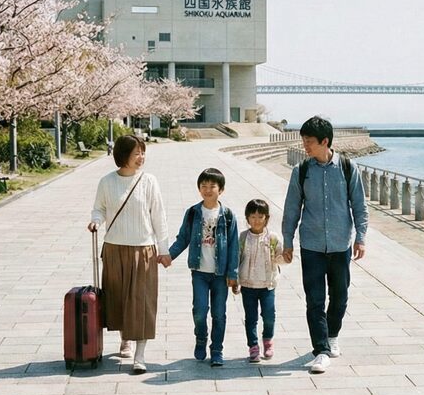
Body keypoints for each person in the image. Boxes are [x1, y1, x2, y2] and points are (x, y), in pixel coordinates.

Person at [282, 115, 369, 375]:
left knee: (340, 296)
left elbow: (360, 206)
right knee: (314, 300)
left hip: (341, 244)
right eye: (304, 141)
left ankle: (332, 334)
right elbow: (291, 210)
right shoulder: (302, 171)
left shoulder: (347, 168)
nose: (305, 146)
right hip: (311, 245)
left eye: (309, 142)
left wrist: (361, 237)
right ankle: (320, 350)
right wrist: (288, 241)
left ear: (325, 141)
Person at [87, 134, 170, 374]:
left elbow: (159, 217)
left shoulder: (149, 181)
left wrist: (163, 251)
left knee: (141, 302)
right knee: (118, 298)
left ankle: (139, 355)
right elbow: (99, 208)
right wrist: (95, 221)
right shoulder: (106, 182)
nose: (141, 157)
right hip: (114, 247)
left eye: (143, 152)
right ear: (123, 156)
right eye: (136, 153)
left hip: (143, 249)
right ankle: (125, 338)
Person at [167, 168, 240, 367]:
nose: (207, 190)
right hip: (199, 272)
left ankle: (217, 350)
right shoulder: (193, 213)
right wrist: (169, 255)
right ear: (199, 188)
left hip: (220, 274)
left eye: (212, 186)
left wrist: (233, 274)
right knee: (199, 310)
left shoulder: (228, 215)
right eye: (204, 186)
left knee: (219, 313)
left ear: (221, 189)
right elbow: (183, 238)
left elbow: (234, 246)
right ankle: (201, 338)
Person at [238, 198, 289, 363]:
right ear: (247, 218)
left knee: (269, 315)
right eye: (252, 217)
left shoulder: (273, 238)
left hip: (268, 284)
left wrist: (286, 258)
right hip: (248, 284)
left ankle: (268, 340)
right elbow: (236, 259)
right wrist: (232, 279)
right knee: (251, 317)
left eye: (260, 217)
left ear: (267, 218)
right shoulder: (243, 237)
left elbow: (280, 257)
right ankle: (253, 346)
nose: (256, 220)